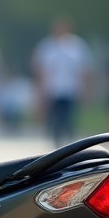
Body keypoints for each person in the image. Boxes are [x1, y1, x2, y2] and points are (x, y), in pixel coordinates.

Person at [32, 16, 90, 146]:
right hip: (52, 89)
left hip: (71, 88)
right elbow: (40, 70)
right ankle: (57, 142)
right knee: (56, 118)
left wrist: (85, 88)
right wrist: (39, 91)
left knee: (69, 117)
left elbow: (83, 70)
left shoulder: (77, 46)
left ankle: (69, 141)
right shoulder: (46, 46)